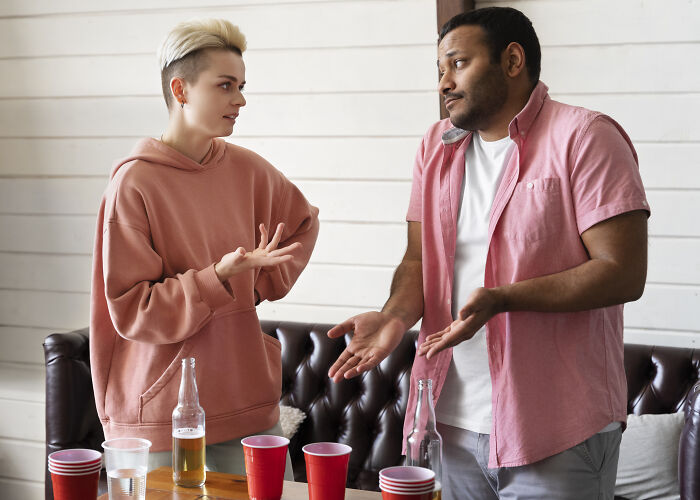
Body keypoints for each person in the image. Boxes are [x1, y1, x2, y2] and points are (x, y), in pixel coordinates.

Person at [327, 7, 649, 499]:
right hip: (451, 424)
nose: (444, 83)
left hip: (558, 428)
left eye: (457, 63)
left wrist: (502, 298)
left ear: (512, 60)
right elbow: (418, 260)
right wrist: (393, 319)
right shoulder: (435, 147)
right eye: (439, 70)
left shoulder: (586, 137)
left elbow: (622, 272)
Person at [90, 18, 319, 476]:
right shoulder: (134, 183)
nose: (241, 99)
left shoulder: (250, 171)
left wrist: (255, 284)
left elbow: (302, 224)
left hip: (249, 405)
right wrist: (218, 279)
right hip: (161, 418)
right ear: (181, 90)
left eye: (242, 86)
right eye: (225, 85)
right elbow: (132, 309)